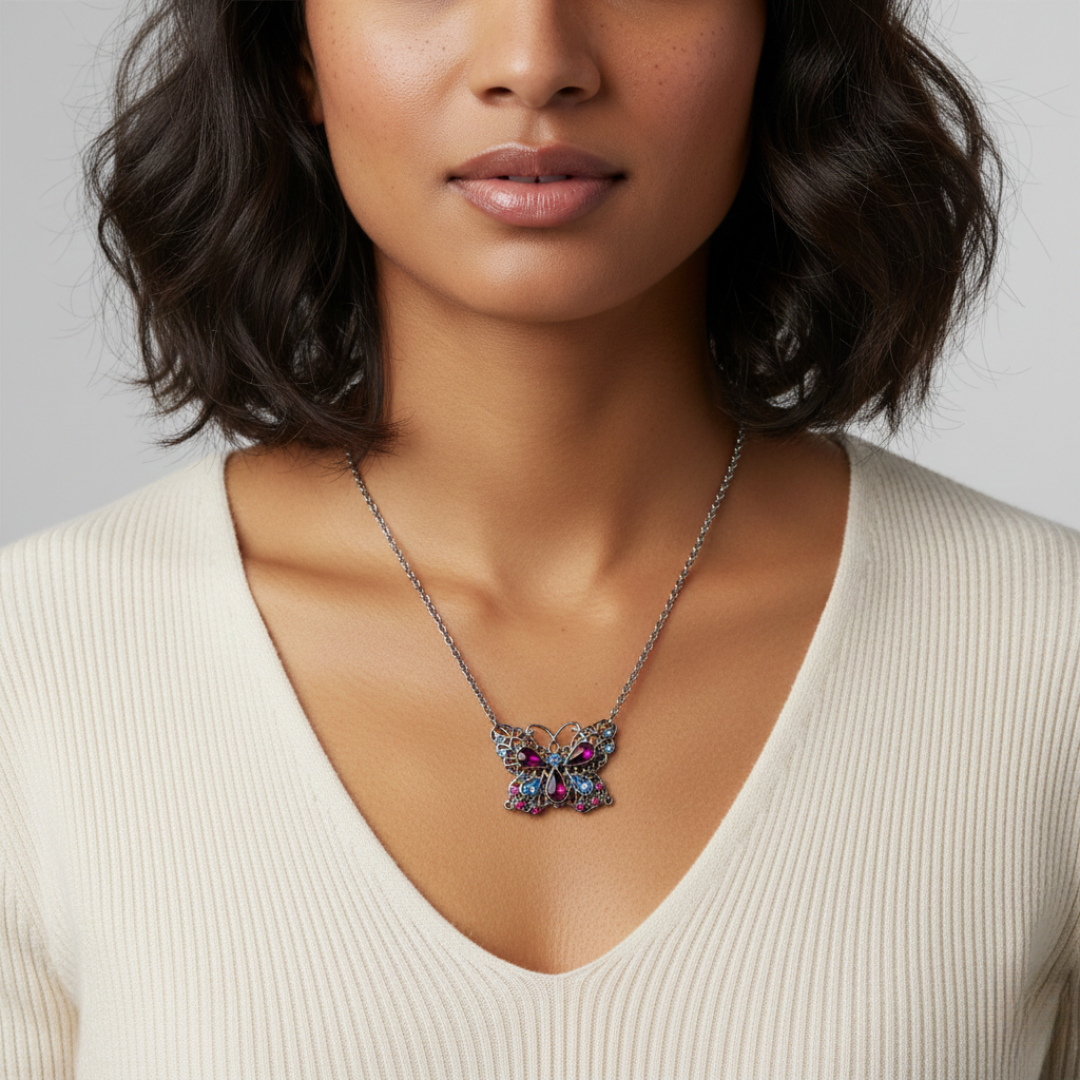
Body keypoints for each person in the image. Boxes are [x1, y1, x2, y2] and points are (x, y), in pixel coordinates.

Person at [1, 0, 1076, 1075]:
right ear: (295, 50)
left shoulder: (1046, 652)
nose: (535, 62)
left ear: (781, 36)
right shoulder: (37, 664)